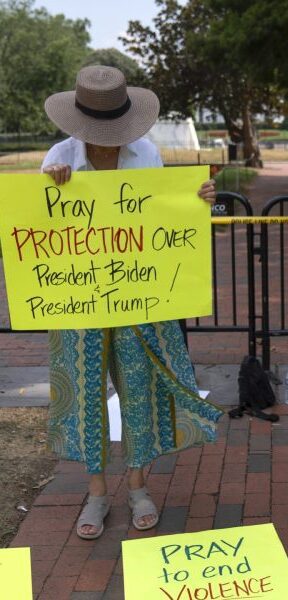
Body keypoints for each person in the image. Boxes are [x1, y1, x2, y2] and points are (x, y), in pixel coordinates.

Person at [41, 65, 223, 539]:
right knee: (86, 394)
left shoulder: (146, 154)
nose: (108, 142)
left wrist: (198, 198)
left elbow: (162, 216)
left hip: (136, 297)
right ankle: (97, 492)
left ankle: (139, 487)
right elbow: (43, 227)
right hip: (79, 299)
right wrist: (51, 186)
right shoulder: (59, 156)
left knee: (138, 390)